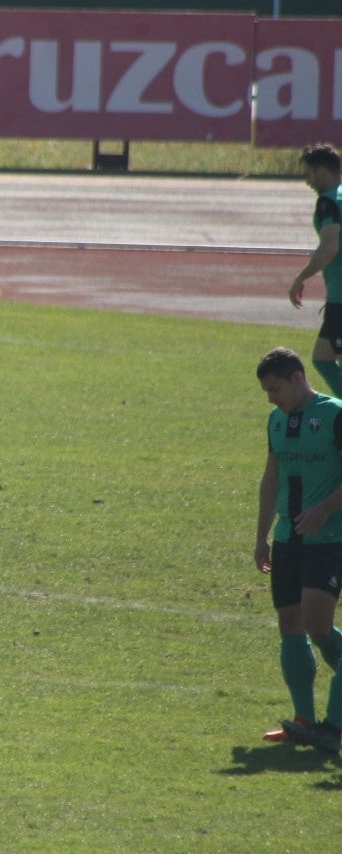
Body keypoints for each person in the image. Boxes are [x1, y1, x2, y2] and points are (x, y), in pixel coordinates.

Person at [253, 347, 342, 748]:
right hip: (289, 537)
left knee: (318, 624)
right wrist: (262, 535)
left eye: (275, 389)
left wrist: (324, 508)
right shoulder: (276, 420)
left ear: (297, 377)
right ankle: (304, 720)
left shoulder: (335, 414)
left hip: (330, 538)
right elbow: (272, 476)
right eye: (267, 392)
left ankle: (334, 725)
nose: (272, 399)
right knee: (290, 623)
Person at [289, 143, 342, 397]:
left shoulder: (328, 203)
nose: (307, 181)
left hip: (340, 298)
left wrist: (301, 277)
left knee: (325, 358)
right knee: (326, 356)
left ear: (321, 172)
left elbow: (329, 247)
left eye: (308, 174)